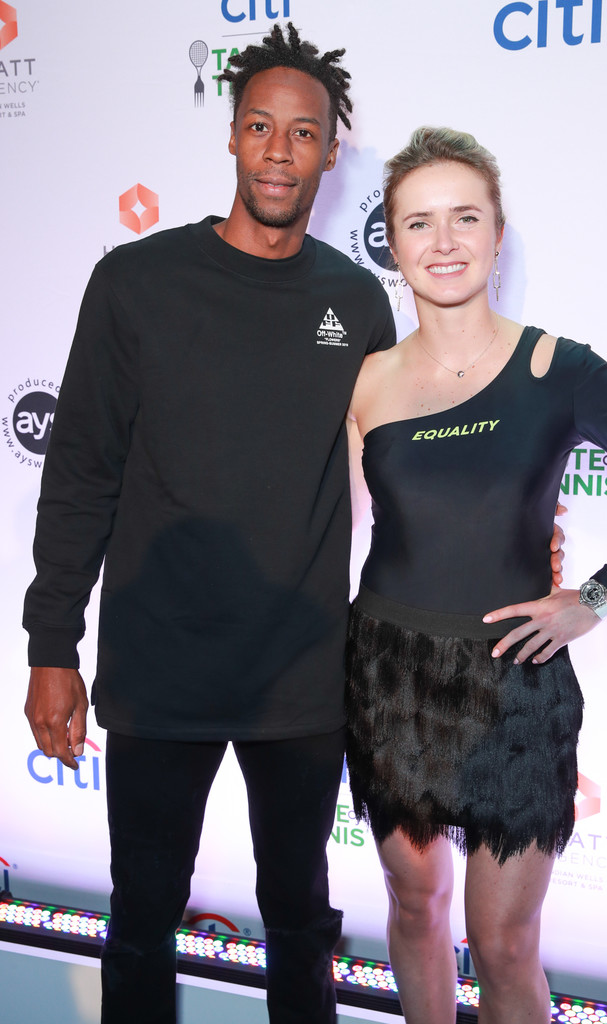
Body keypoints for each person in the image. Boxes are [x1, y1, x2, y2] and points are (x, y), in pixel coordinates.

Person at [21, 23, 394, 1024]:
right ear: (231, 135)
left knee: (300, 923)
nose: (279, 151)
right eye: (261, 127)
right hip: (160, 669)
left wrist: (517, 525)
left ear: (330, 152)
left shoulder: (358, 301)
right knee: (143, 918)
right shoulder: (136, 283)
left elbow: (405, 469)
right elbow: (81, 472)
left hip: (302, 676)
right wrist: (52, 646)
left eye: (303, 133)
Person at [344, 126, 607, 1024]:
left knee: (502, 944)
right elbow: (310, 522)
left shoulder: (561, 369)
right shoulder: (363, 381)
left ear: (498, 235)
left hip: (517, 683)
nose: (443, 241)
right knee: (414, 908)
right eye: (419, 222)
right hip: (388, 677)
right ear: (392, 243)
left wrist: (596, 598)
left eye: (465, 217)